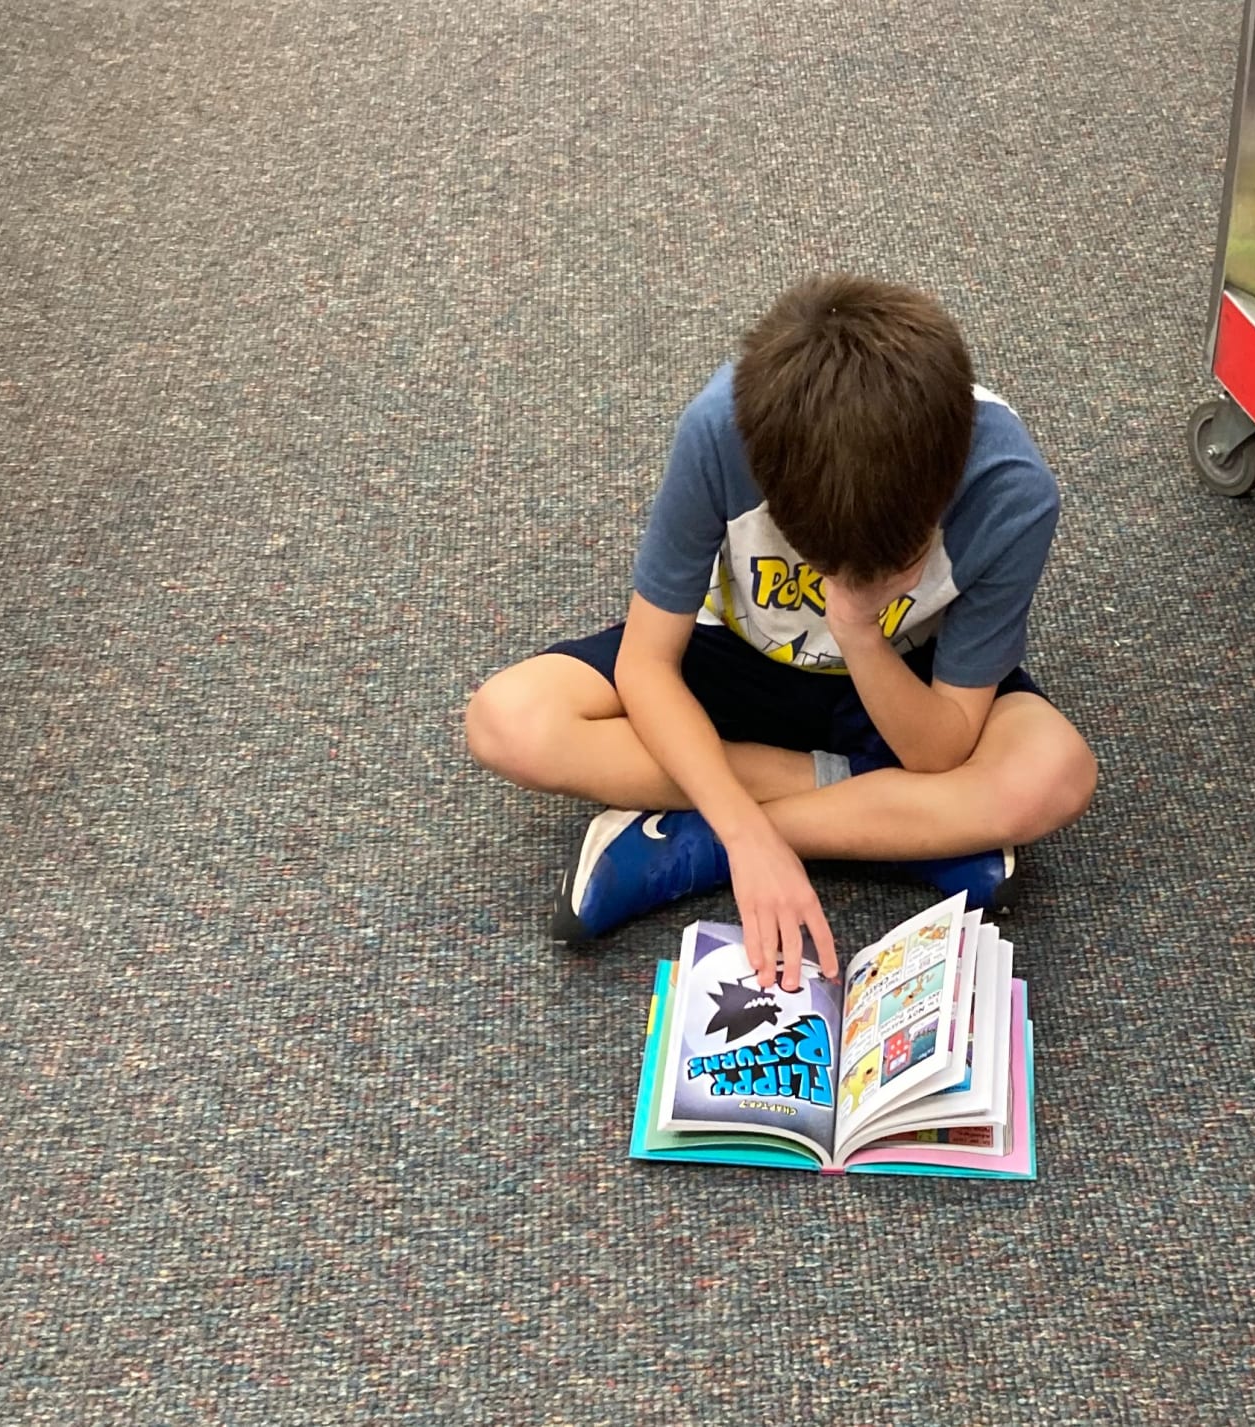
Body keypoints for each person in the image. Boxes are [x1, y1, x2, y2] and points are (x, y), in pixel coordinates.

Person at [465, 274, 1096, 991]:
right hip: (736, 653)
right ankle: (893, 828)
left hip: (903, 674)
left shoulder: (1012, 491)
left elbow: (940, 745)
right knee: (507, 720)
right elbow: (648, 665)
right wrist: (752, 828)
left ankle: (690, 839)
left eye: (900, 560)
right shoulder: (719, 428)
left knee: (1056, 773)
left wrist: (858, 625)